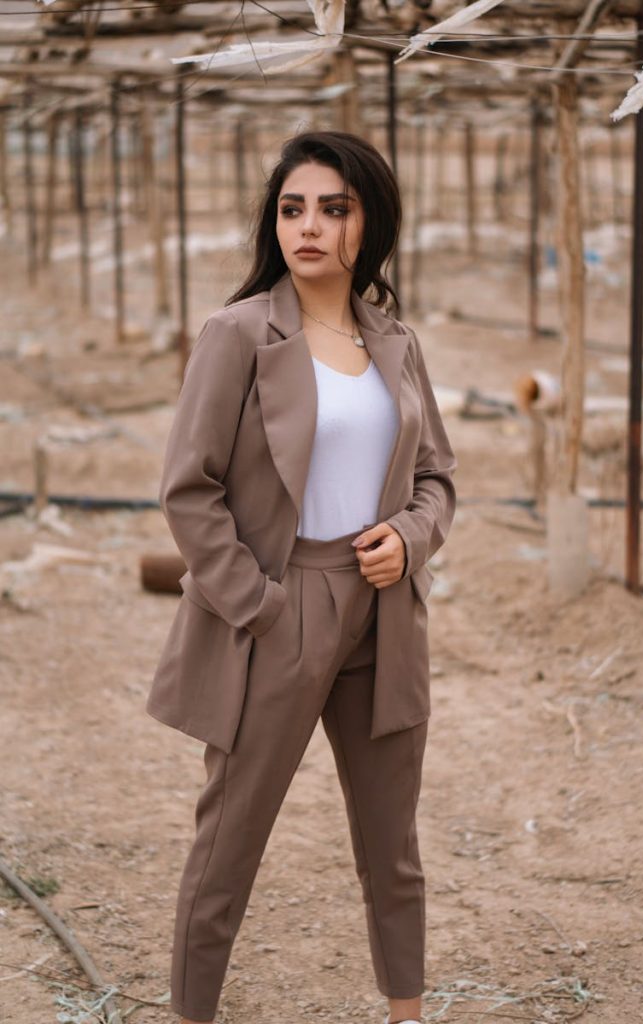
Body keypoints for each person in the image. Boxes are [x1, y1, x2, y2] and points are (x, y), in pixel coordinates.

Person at [145, 130, 457, 1024]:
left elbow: (436, 476)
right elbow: (188, 487)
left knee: (391, 847)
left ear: (370, 221)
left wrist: (409, 534)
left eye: (333, 207)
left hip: (384, 612)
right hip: (279, 608)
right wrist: (259, 606)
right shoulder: (239, 333)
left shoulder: (395, 342)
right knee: (228, 844)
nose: (308, 226)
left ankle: (407, 1013)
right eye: (292, 208)